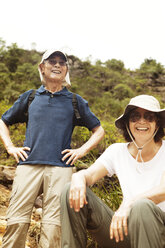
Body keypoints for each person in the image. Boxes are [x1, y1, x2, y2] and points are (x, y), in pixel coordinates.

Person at [0, 48, 105, 248]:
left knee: (53, 227)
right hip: (28, 165)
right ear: (42, 67)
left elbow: (99, 131)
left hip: (61, 168)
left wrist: (80, 151)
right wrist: (11, 147)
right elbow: (2, 122)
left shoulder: (75, 101)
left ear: (66, 70)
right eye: (52, 61)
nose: (57, 65)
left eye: (62, 62)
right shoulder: (30, 97)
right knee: (16, 221)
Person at [61, 94, 165, 248]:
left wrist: (130, 203)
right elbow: (90, 175)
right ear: (128, 123)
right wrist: (79, 177)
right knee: (71, 189)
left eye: (149, 117)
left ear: (157, 124)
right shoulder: (117, 151)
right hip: (124, 231)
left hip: (158, 232)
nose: (142, 121)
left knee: (142, 207)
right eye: (135, 117)